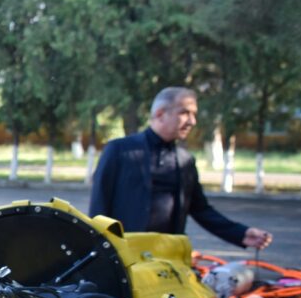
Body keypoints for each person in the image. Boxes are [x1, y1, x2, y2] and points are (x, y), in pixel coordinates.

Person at [89, 86, 272, 249]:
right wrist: (101, 253)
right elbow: (99, 207)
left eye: (194, 114)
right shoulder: (120, 150)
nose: (192, 121)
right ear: (160, 114)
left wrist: (241, 233)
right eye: (185, 113)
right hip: (123, 255)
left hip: (167, 256)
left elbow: (201, 210)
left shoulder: (185, 161)